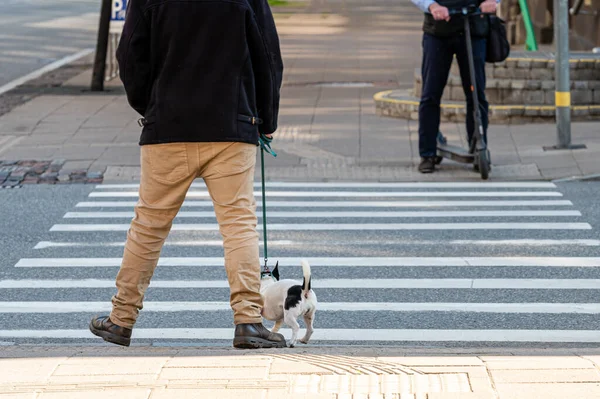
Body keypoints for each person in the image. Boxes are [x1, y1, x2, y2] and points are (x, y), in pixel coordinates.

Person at [89, 0, 286, 349]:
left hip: (168, 125)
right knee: (238, 223)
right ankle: (248, 320)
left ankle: (121, 320)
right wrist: (266, 118)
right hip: (231, 123)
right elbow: (268, 56)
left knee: (148, 226)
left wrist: (151, 104)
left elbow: (130, 55)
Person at [411, 0, 498, 173]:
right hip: (438, 31)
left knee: (476, 93)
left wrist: (493, 1)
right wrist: (432, 6)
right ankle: (427, 153)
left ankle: (478, 146)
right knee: (430, 93)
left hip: (473, 27)